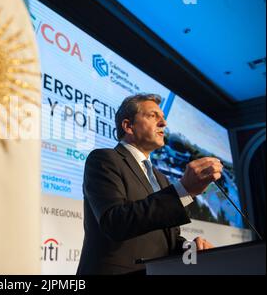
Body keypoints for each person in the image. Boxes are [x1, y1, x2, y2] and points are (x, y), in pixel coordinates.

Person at [76, 93, 220, 274]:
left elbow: (168, 240)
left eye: (163, 118)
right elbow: (115, 223)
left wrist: (192, 249)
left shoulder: (161, 178)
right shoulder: (104, 159)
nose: (164, 123)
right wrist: (184, 190)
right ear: (128, 126)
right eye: (153, 116)